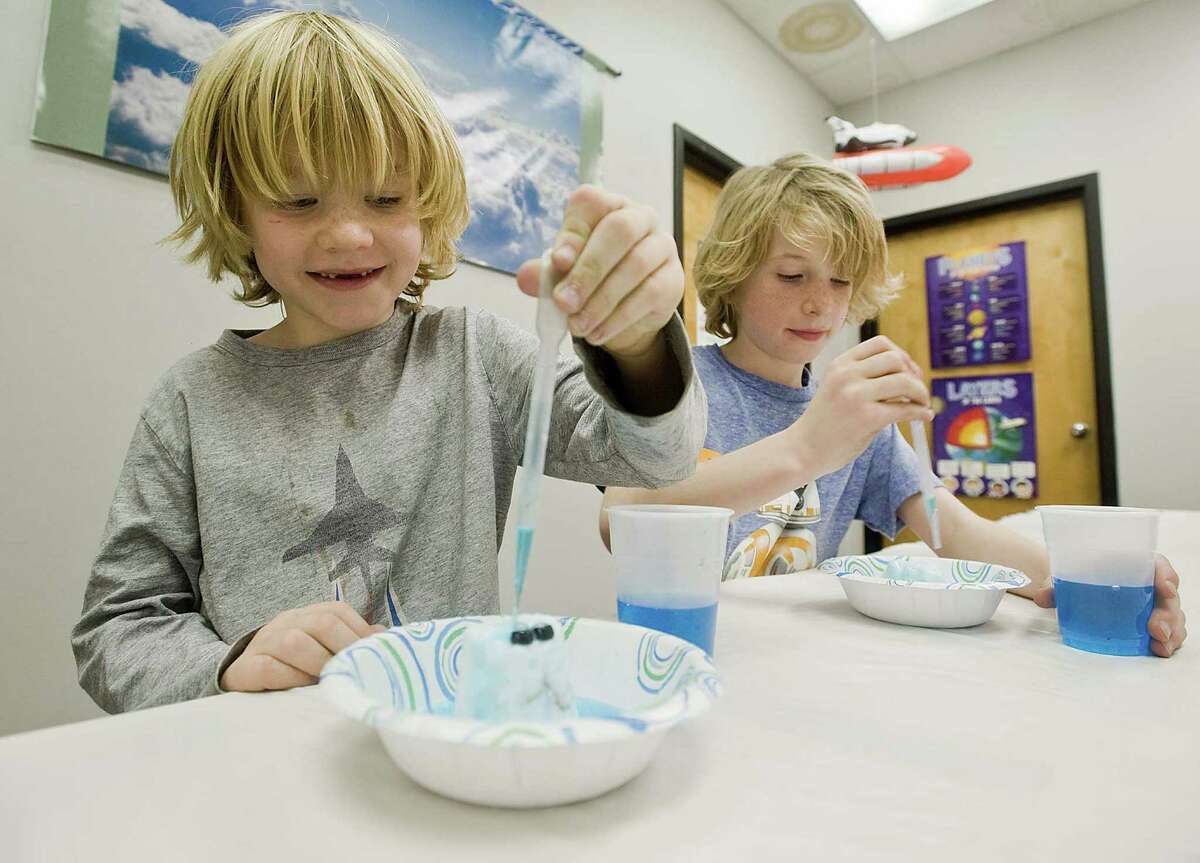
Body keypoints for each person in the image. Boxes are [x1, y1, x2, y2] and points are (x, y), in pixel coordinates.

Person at [73, 11, 706, 713]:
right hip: (265, 767)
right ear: (235, 207)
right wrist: (227, 664)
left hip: (456, 751)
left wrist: (638, 339)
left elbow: (659, 458)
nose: (347, 232)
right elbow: (116, 631)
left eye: (386, 197)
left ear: (428, 205)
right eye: (297, 199)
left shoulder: (476, 355)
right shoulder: (189, 401)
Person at [599, 152, 1186, 658]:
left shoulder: (856, 416)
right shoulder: (682, 385)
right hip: (673, 652)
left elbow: (952, 532)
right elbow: (620, 515)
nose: (819, 306)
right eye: (792, 275)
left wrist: (1081, 578)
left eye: (840, 281)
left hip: (792, 662)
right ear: (734, 273)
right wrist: (807, 447)